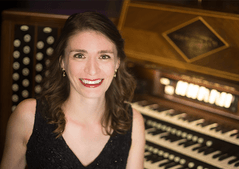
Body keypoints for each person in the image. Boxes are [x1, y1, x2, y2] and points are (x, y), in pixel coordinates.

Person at [0, 12, 145, 169]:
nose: (92, 70)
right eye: (80, 55)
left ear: (117, 63)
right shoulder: (27, 116)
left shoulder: (133, 122)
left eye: (104, 56)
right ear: (63, 62)